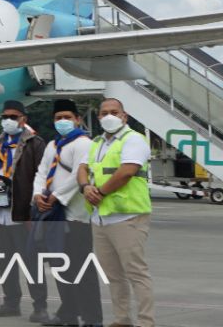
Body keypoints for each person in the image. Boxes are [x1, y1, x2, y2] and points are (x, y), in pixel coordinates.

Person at [78, 97, 153, 327]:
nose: (109, 116)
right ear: (98, 117)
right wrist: (85, 187)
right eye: (104, 113)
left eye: (114, 112)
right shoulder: (97, 142)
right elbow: (82, 168)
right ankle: (122, 319)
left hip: (127, 216)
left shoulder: (134, 140)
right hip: (101, 218)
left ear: (124, 116)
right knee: (113, 276)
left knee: (136, 274)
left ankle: (145, 322)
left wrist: (98, 191)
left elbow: (127, 171)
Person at [32, 99, 100, 327]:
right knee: (61, 268)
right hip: (53, 215)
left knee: (82, 269)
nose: (63, 121)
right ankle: (68, 312)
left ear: (77, 119)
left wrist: (56, 196)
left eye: (67, 117)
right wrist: (37, 194)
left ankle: (92, 317)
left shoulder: (83, 143)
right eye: (58, 118)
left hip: (75, 215)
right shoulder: (52, 145)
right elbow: (41, 171)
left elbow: (79, 176)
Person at [0, 99, 48, 321]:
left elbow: (43, 179)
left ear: (23, 119)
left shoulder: (35, 143)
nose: (8, 121)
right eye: (4, 117)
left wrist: (34, 213)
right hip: (0, 212)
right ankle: (11, 302)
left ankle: (40, 306)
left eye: (13, 117)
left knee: (31, 263)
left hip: (23, 214)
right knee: (6, 262)